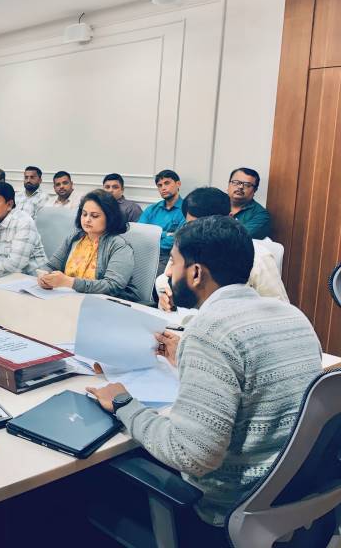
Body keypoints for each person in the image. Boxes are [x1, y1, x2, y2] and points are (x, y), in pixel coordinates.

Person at [87, 216, 322, 542]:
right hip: (291, 499)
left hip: (225, 511)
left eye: (173, 262)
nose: (169, 273)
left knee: (86, 483)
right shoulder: (293, 316)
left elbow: (191, 454)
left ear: (196, 273)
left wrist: (124, 403)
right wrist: (185, 357)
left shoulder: (210, 330)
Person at [156, 187, 288, 310]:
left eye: (207, 226)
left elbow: (278, 308)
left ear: (229, 218)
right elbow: (165, 277)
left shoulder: (258, 256)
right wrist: (166, 293)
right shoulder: (185, 245)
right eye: (192, 225)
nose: (198, 233)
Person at [37, 190, 141, 302]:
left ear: (110, 217)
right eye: (84, 214)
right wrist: (44, 277)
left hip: (106, 304)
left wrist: (69, 282)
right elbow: (51, 265)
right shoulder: (74, 238)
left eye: (94, 216)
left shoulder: (120, 246)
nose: (87, 220)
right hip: (70, 299)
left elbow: (112, 286)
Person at [138, 169, 186, 276]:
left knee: (149, 277)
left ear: (178, 184)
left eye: (167, 183)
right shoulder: (151, 209)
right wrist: (165, 234)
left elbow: (178, 240)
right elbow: (140, 234)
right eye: (159, 185)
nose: (163, 188)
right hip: (146, 253)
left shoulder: (186, 210)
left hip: (169, 256)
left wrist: (152, 235)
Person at [228, 167, 271, 239]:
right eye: (236, 182)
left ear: (255, 190)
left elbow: (237, 237)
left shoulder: (261, 215)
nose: (240, 187)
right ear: (229, 184)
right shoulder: (214, 201)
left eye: (247, 185)